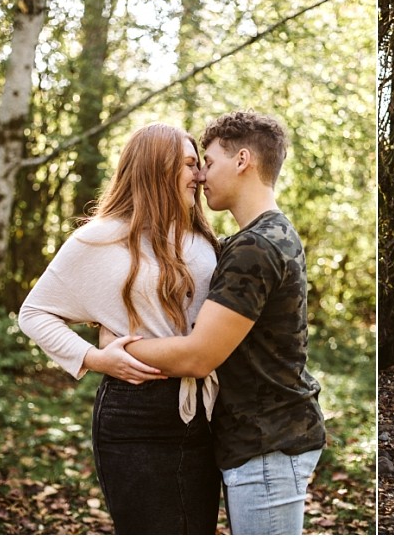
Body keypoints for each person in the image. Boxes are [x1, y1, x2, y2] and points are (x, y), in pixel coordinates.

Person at [103, 110, 326, 535]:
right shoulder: (267, 235)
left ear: (242, 160)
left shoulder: (256, 247)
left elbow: (199, 356)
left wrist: (115, 348)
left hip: (268, 445)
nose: (201, 175)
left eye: (208, 161)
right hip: (261, 441)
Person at [18, 124, 222, 534]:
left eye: (200, 165)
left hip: (206, 412)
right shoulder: (99, 239)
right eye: (188, 165)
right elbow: (35, 312)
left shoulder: (201, 237)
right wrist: (94, 358)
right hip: (135, 414)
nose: (199, 176)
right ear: (154, 169)